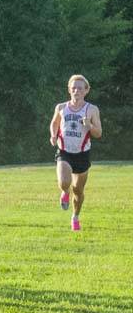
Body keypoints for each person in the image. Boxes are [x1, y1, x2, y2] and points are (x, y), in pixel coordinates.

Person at [49, 74, 102, 232]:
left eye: (80, 88)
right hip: (64, 151)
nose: (76, 90)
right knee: (64, 182)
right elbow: (54, 124)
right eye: (73, 87)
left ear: (86, 91)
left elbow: (98, 133)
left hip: (82, 154)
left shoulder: (91, 109)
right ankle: (64, 192)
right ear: (69, 90)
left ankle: (75, 217)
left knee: (78, 191)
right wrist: (53, 135)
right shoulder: (61, 108)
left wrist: (89, 126)